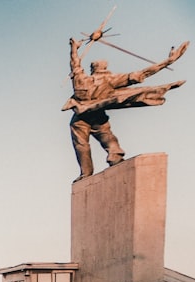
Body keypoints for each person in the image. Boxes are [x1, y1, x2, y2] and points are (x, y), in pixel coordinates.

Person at [63, 38, 188, 181]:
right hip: (96, 115)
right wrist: (168, 61)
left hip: (80, 118)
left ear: (92, 69)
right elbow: (143, 74)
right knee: (107, 137)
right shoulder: (111, 79)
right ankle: (115, 156)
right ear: (105, 68)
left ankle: (86, 172)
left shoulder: (80, 78)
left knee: (82, 144)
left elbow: (75, 63)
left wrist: (74, 48)